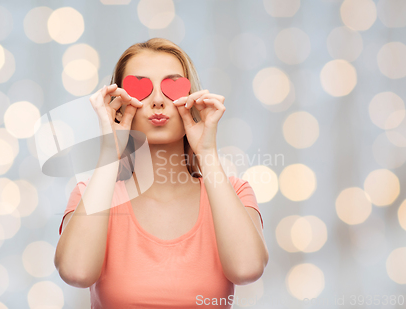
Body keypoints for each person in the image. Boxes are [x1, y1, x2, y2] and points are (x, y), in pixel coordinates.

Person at [54, 37, 268, 308]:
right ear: (119, 103)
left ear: (191, 99)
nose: (157, 100)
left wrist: (207, 152)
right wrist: (110, 151)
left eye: (171, 87)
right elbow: (76, 272)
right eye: (140, 88)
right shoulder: (91, 194)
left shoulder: (235, 193)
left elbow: (247, 269)